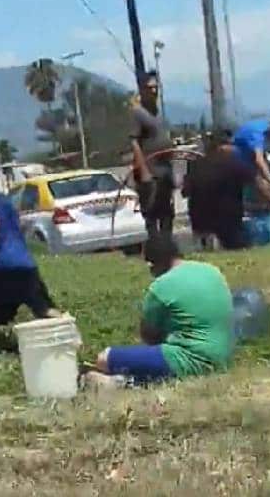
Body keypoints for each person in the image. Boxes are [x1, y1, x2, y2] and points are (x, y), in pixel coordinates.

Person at [86, 235, 233, 387]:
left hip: (186, 358)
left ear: (153, 264)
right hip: (221, 358)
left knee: (104, 358)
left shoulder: (161, 287)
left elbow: (149, 335)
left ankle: (124, 382)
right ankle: (130, 382)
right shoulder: (212, 271)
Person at [0, 156, 61, 355]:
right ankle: (69, 333)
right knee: (43, 309)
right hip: (26, 263)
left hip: (4, 267)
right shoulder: (4, 200)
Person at [182, 130, 255, 250]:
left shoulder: (195, 164)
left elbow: (185, 191)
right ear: (224, 147)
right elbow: (255, 182)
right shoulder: (234, 163)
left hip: (200, 220)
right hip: (228, 219)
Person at [130, 70, 174, 240]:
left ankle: (168, 246)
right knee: (152, 213)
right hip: (150, 173)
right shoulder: (137, 113)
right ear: (142, 90)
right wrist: (144, 172)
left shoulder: (158, 111)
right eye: (150, 88)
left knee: (167, 213)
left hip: (165, 171)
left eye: (156, 88)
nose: (154, 91)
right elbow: (134, 142)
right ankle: (156, 248)